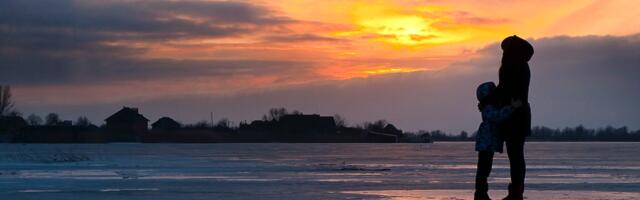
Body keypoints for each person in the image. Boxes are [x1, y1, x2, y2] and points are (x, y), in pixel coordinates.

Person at [494, 35, 534, 200]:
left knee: (515, 154)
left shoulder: (514, 66)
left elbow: (505, 89)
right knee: (516, 155)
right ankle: (516, 190)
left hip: (514, 115)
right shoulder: (520, 66)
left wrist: (488, 98)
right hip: (517, 113)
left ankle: (516, 192)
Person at [474, 82, 522, 200]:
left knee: (485, 169)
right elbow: (498, 116)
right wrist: (512, 107)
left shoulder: (490, 106)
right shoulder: (488, 108)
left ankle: (481, 193)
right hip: (486, 143)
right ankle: (480, 194)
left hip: (488, 143)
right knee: (483, 170)